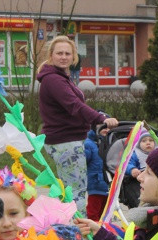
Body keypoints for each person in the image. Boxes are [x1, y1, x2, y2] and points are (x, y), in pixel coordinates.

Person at [37, 36, 118, 212]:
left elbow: (74, 108)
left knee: (73, 191)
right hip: (65, 142)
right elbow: (74, 106)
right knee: (75, 193)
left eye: (67, 53)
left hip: (69, 140)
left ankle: (70, 225)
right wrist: (100, 118)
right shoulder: (53, 80)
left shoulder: (61, 78)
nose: (63, 57)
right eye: (59, 53)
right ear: (51, 55)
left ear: (74, 56)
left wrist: (97, 121)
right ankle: (76, 228)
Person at [84, 127, 109, 221]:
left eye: (109, 127)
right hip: (96, 183)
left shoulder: (110, 142)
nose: (106, 129)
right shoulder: (89, 143)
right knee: (93, 212)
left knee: (105, 213)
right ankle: (92, 228)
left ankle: (103, 228)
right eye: (103, 127)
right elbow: (83, 162)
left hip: (108, 183)